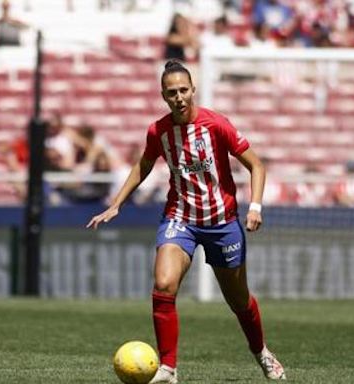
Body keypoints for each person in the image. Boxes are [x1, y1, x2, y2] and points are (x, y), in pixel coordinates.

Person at [87, 60, 286, 383]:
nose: (178, 97)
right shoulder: (159, 131)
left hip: (222, 223)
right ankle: (168, 369)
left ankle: (261, 351)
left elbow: (257, 166)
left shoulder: (217, 125)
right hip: (180, 218)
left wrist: (256, 207)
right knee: (163, 284)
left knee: (238, 301)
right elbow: (144, 165)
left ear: (193, 90)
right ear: (163, 96)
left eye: (183, 90)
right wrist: (116, 204)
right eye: (171, 92)